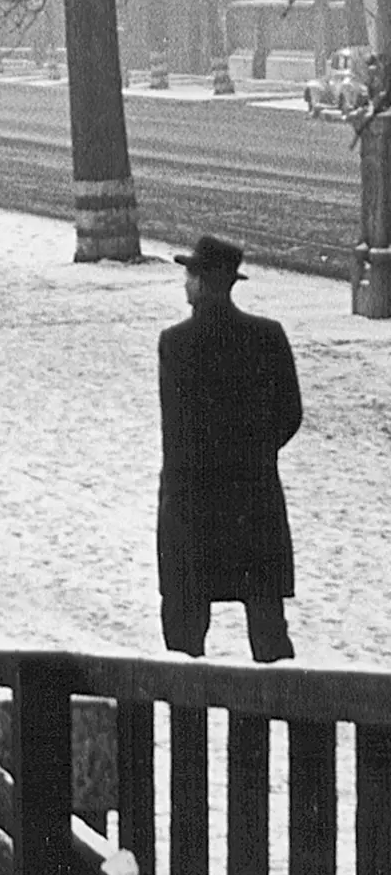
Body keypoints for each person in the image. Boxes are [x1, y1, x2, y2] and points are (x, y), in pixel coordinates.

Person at [157, 234, 301, 662]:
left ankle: (186, 721)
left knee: (185, 625)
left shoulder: (177, 342)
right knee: (267, 622)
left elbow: (176, 428)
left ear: (202, 283)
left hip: (194, 501)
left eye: (190, 275)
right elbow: (290, 413)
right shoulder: (268, 336)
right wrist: (254, 453)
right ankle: (285, 711)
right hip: (253, 500)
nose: (185, 284)